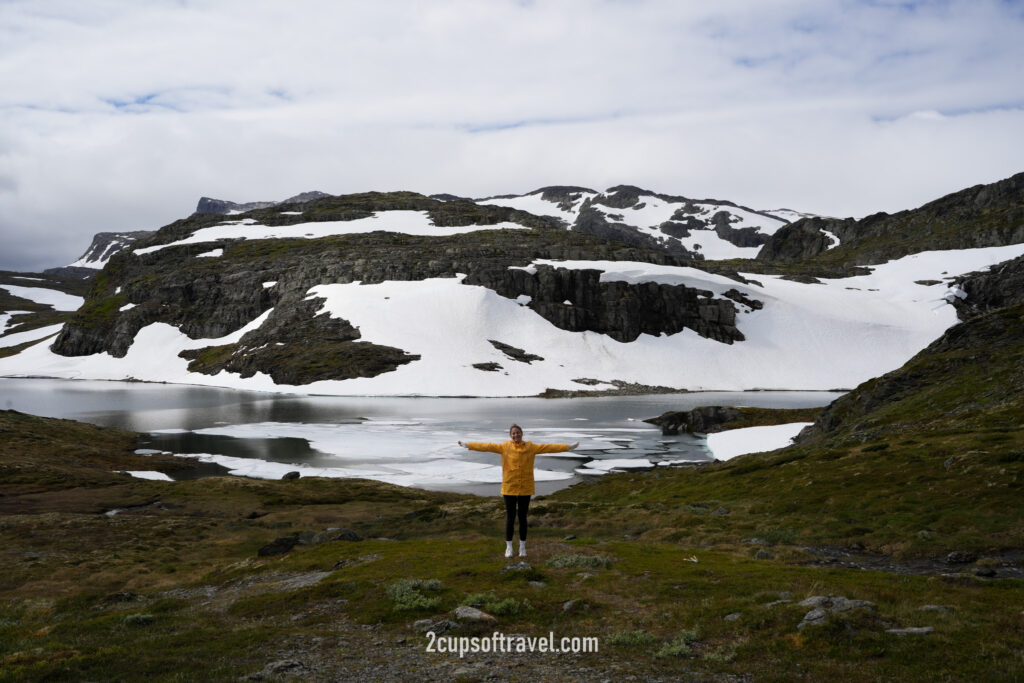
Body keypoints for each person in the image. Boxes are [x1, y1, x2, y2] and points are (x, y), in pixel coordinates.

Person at [459, 424, 579, 559]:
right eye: (513, 433)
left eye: (518, 433)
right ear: (510, 436)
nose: (516, 435)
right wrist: (467, 445)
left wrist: (569, 447)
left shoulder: (531, 447)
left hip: (525, 488)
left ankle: (522, 547)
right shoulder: (504, 447)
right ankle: (509, 547)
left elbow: (549, 447)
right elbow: (486, 446)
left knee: (522, 518)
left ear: (522, 434)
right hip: (509, 487)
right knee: (510, 518)